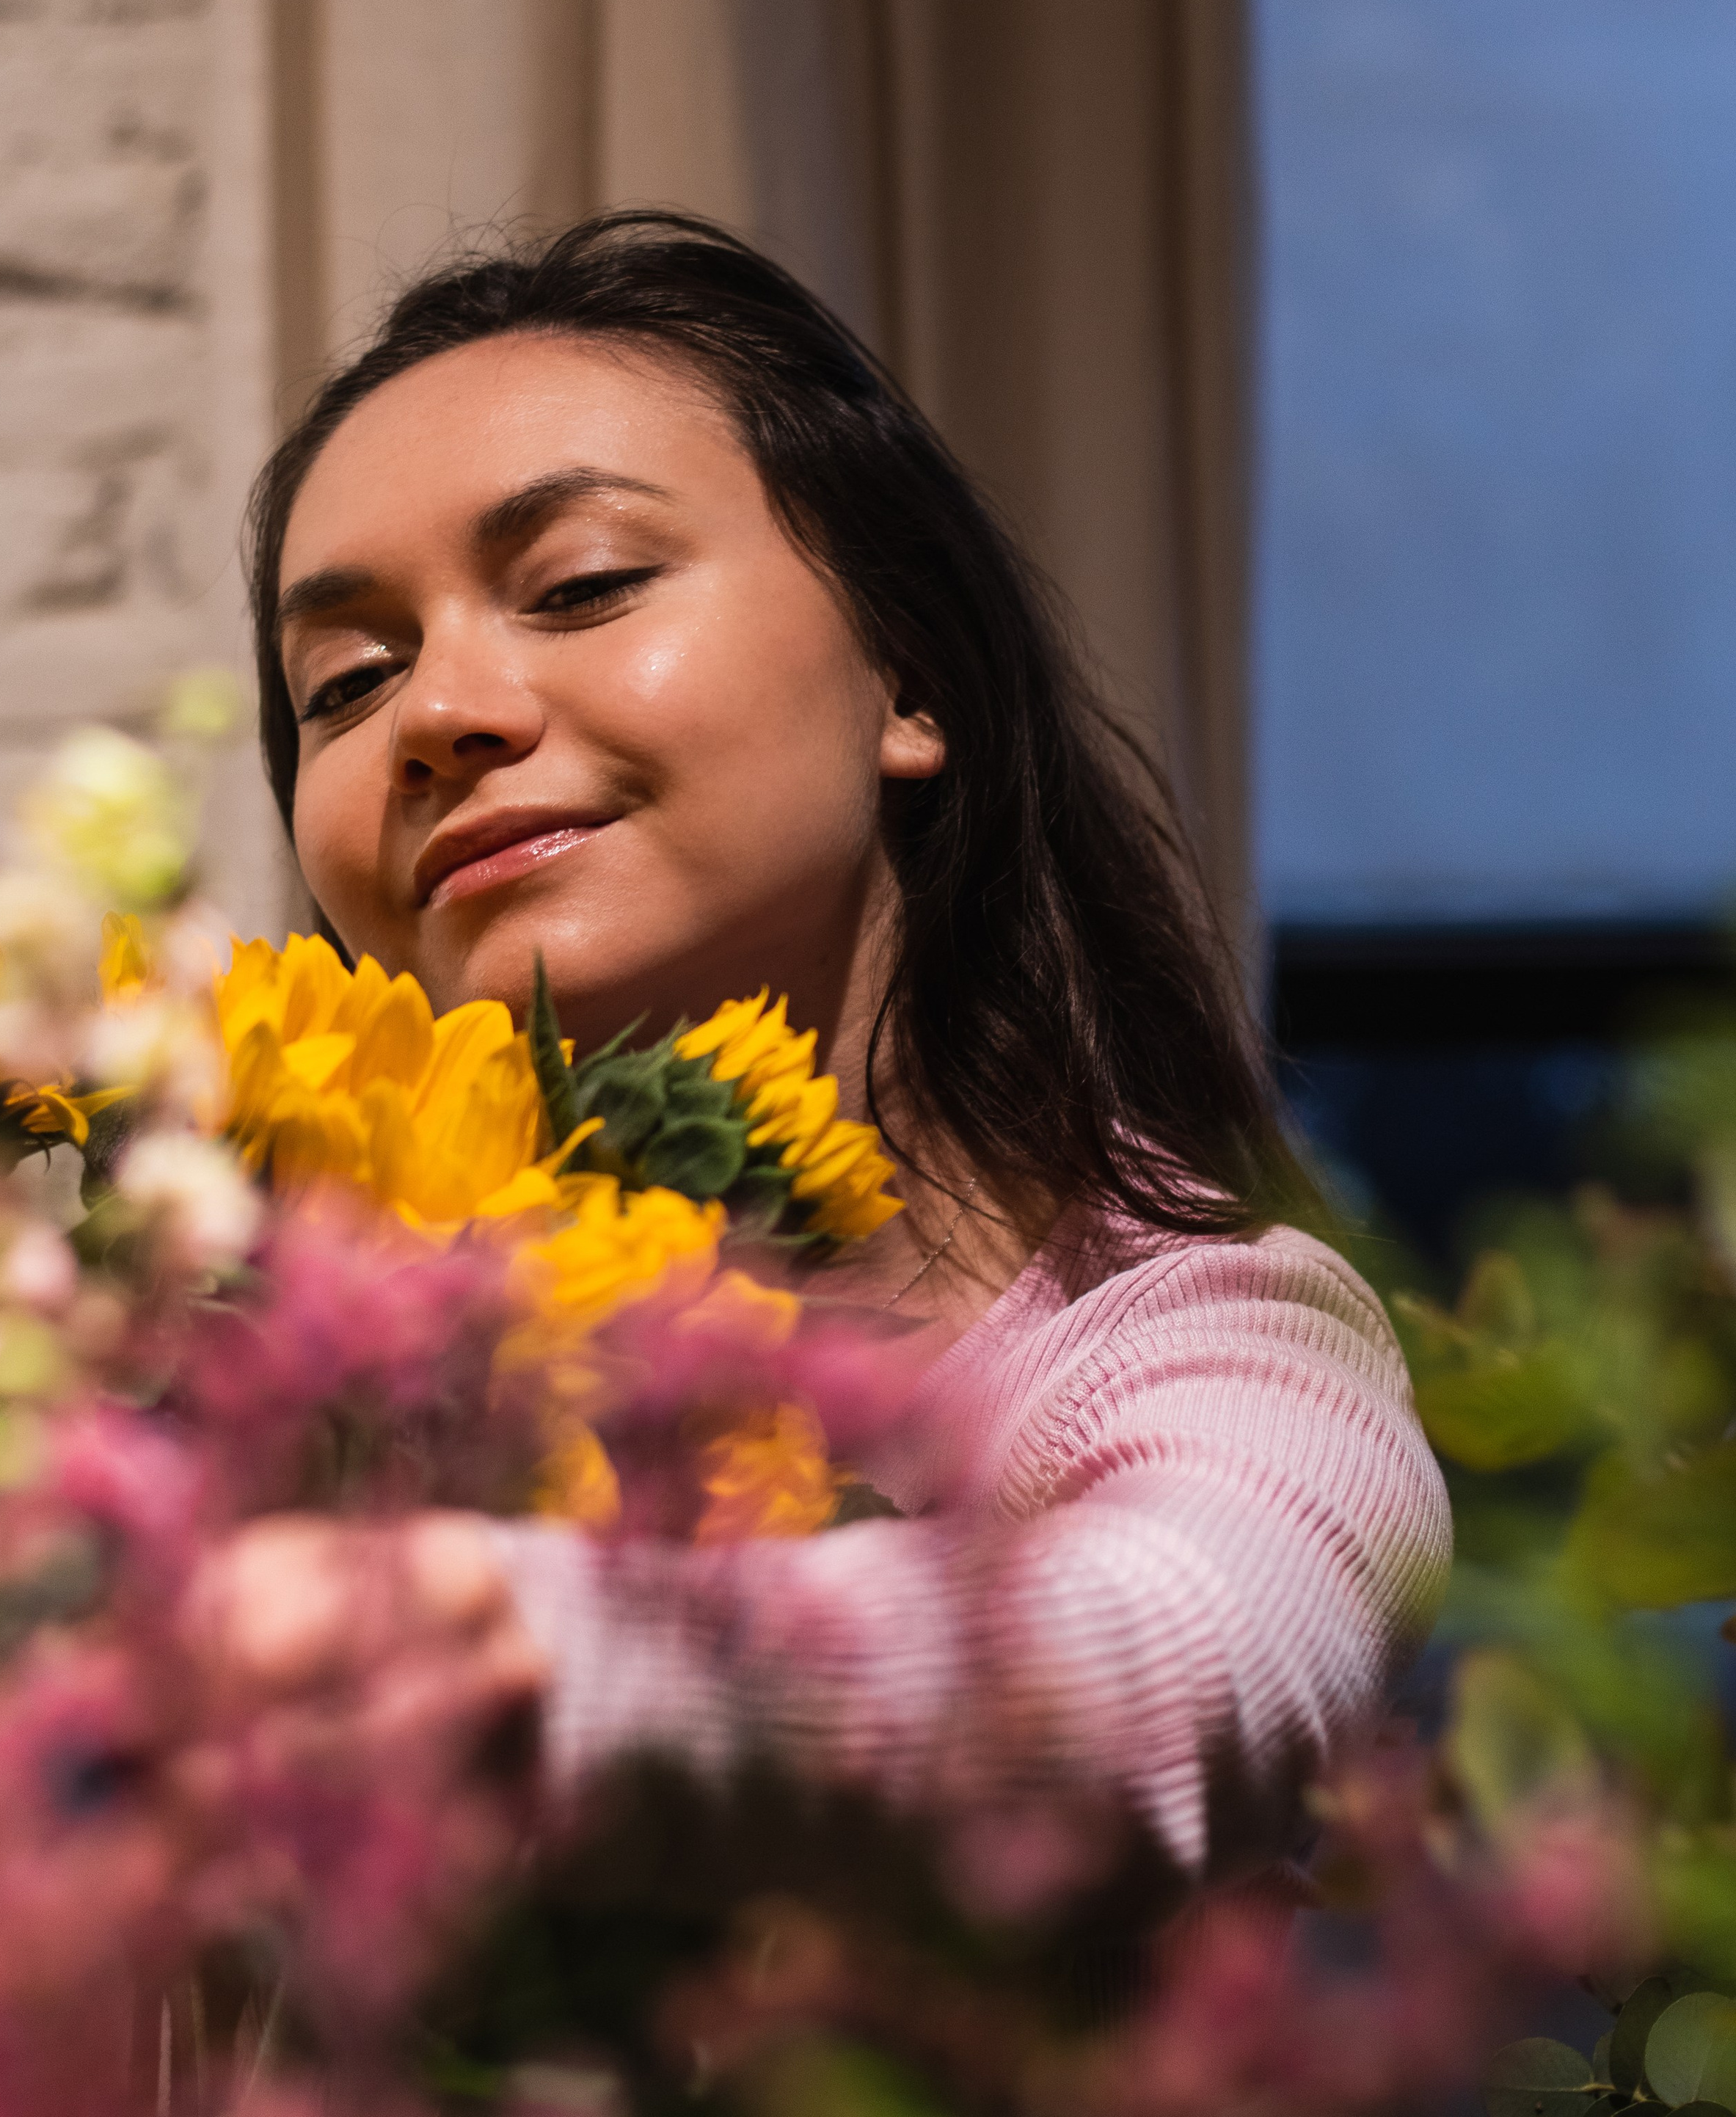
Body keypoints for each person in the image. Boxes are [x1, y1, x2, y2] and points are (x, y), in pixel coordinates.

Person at [237, 208, 1449, 1917]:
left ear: (909, 676)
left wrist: (548, 1659)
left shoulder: (1203, 1334)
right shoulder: (282, 1337)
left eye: (579, 586)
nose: (439, 709)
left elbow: (1179, 1659)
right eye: (346, 683)